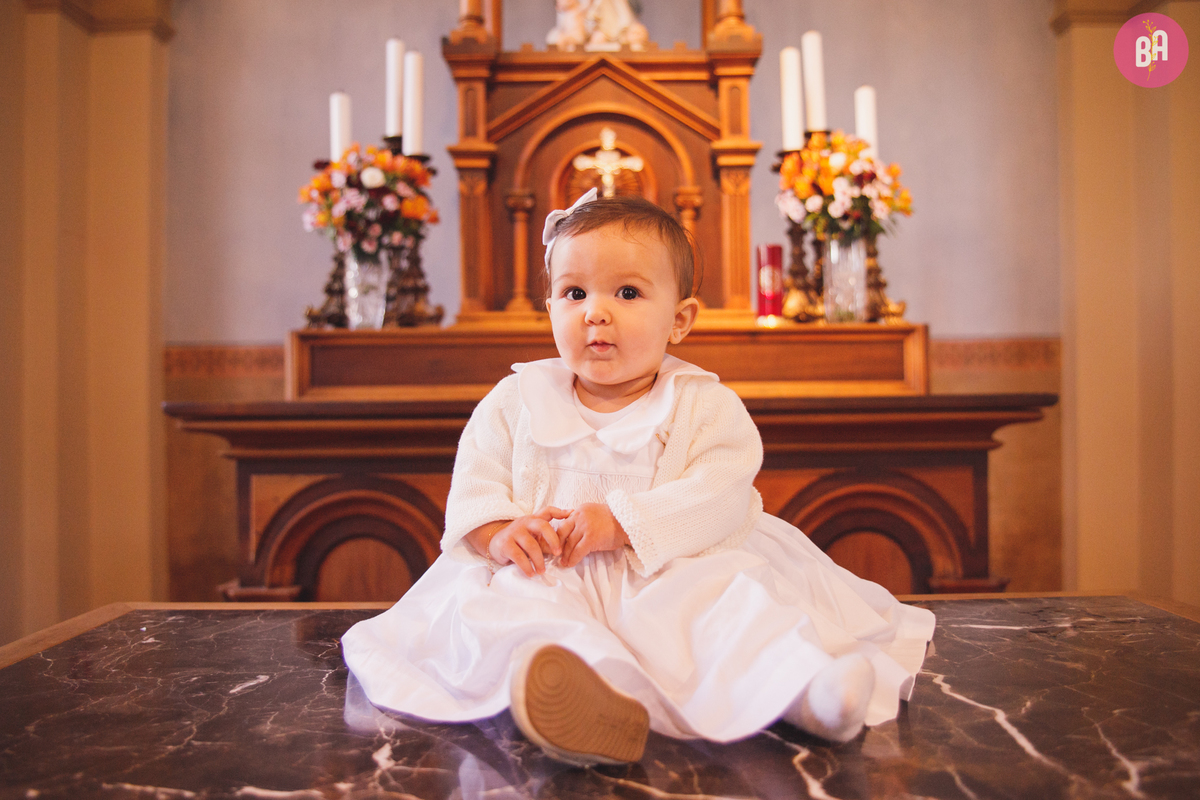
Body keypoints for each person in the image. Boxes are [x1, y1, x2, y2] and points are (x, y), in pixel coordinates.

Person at [341, 188, 936, 765]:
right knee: (515, 619)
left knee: (733, 614)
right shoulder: (514, 400)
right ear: (549, 308)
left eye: (626, 292)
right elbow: (475, 484)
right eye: (573, 293)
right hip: (550, 574)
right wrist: (498, 531)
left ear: (679, 319)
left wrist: (625, 522)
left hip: (673, 572)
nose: (595, 312)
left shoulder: (701, 405)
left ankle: (812, 695)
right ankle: (581, 705)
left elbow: (722, 491)